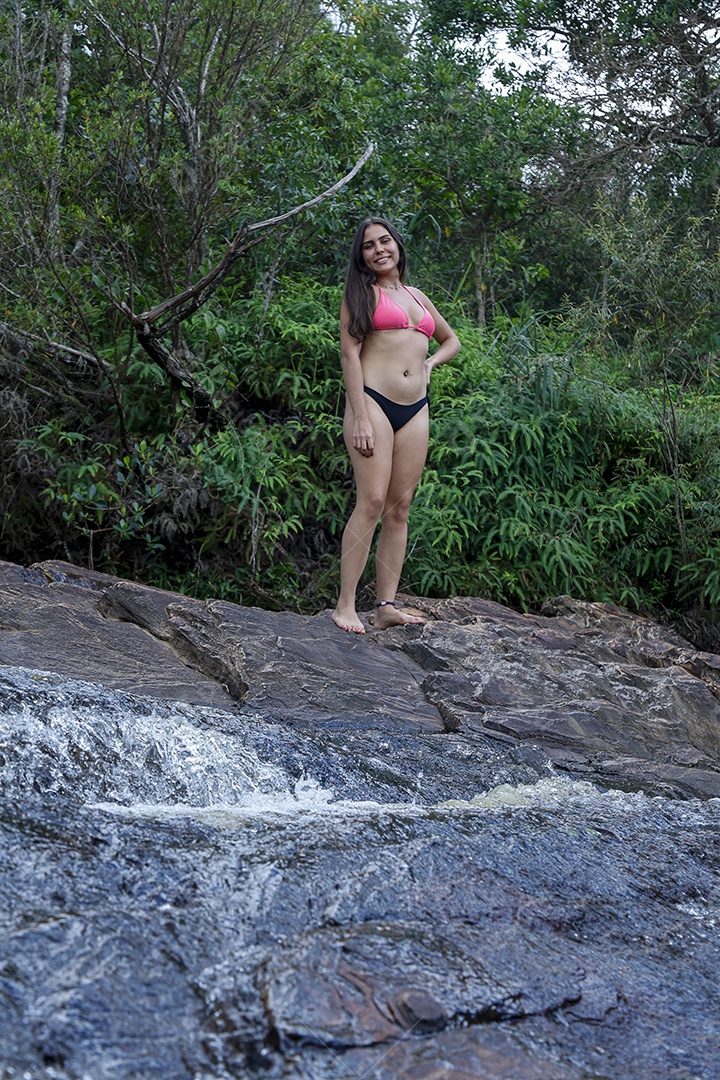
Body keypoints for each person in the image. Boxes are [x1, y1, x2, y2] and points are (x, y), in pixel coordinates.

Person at [331, 216, 461, 634]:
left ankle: (386, 605)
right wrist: (361, 418)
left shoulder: (417, 296)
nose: (379, 249)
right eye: (369, 245)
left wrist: (429, 364)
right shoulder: (360, 296)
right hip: (373, 403)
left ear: (398, 245)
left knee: (399, 508)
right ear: (362, 256)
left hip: (416, 408)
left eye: (385, 240)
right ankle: (345, 605)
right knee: (370, 501)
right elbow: (350, 356)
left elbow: (451, 340)